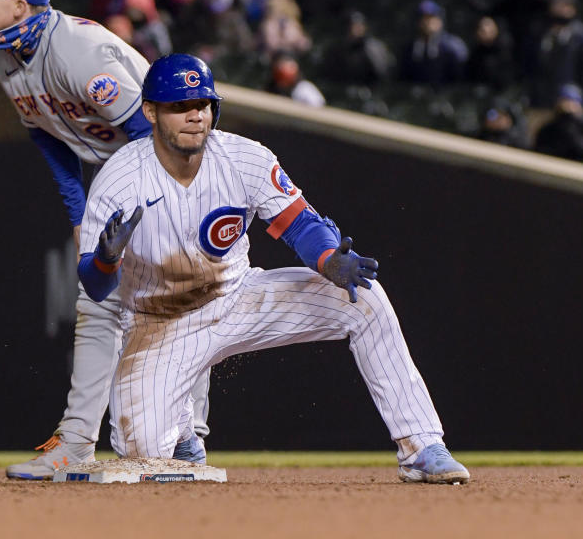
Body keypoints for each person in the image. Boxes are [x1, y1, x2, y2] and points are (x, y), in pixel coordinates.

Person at [75, 53, 471, 485]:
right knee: (141, 458)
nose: (194, 116)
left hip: (239, 297)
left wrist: (328, 259)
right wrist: (105, 259)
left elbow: (300, 223)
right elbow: (95, 287)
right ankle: (181, 432)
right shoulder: (120, 178)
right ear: (150, 112)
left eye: (202, 105)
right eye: (179, 107)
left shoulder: (243, 158)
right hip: (160, 322)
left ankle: (422, 446)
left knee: (364, 297)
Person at [0, 0, 211, 480]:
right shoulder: (3, 59)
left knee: (174, 297)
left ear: (21, 4)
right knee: (103, 304)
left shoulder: (77, 52)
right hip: (119, 173)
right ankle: (87, 442)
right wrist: (80, 218)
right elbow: (48, 141)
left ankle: (182, 436)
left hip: (172, 168)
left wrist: (147, 210)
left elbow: (152, 133)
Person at [399, 0, 468, 85]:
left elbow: (458, 80)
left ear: (440, 21)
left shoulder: (450, 48)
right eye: (423, 18)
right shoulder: (409, 50)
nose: (427, 22)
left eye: (431, 18)